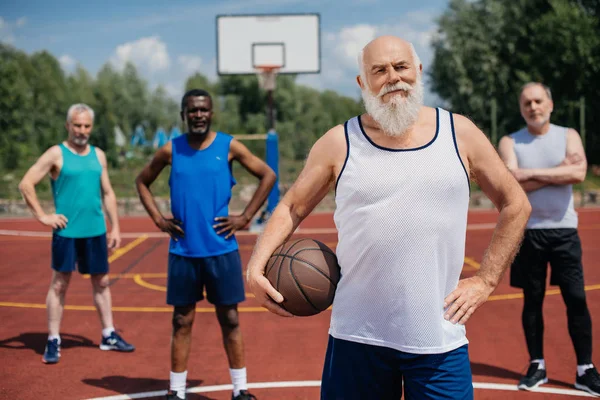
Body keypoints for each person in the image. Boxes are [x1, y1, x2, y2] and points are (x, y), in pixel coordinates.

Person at [246, 35, 531, 400]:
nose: (392, 77)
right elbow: (291, 206)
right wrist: (256, 266)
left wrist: (487, 280)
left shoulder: (459, 133)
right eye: (378, 70)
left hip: (437, 336)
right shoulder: (339, 142)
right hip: (357, 335)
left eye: (400, 67)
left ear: (418, 71)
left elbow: (515, 203)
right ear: (362, 83)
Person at [135, 89, 276, 400]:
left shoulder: (228, 146)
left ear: (211, 113)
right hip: (183, 251)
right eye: (192, 110)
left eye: (204, 110)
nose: (198, 115)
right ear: (183, 114)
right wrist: (158, 219)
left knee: (230, 319)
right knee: (181, 320)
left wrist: (246, 217)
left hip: (221, 250)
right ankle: (177, 392)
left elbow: (268, 175)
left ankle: (240, 390)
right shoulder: (171, 150)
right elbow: (141, 181)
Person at [498, 82, 600, 396]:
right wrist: (558, 170)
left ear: (550, 104)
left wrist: (527, 175)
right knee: (532, 302)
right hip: (527, 234)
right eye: (527, 103)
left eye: (538, 101)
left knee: (576, 299)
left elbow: (579, 174)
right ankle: (537, 364)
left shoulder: (568, 135)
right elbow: (508, 186)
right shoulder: (509, 141)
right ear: (521, 108)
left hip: (564, 231)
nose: (533, 107)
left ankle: (585, 369)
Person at [18, 103, 135, 364]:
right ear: (68, 126)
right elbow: (26, 184)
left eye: (86, 126)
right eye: (77, 125)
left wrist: (114, 226)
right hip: (67, 231)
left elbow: (107, 193)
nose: (82, 130)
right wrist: (43, 216)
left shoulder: (99, 155)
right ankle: (53, 339)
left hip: (95, 230)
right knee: (60, 284)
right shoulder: (55, 154)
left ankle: (108, 334)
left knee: (102, 282)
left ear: (90, 127)